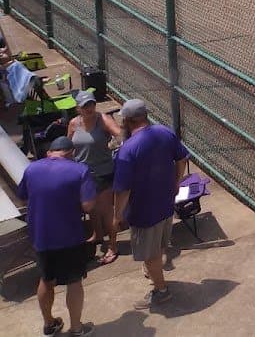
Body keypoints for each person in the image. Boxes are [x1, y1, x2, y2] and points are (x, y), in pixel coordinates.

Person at [112, 98, 188, 311]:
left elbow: (123, 189)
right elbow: (181, 159)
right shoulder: (164, 132)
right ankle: (154, 271)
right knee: (159, 244)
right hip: (165, 202)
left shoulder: (127, 150)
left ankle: (161, 291)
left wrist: (117, 216)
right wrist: (176, 182)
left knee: (150, 253)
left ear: (127, 120)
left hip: (144, 211)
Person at [16, 135, 96, 337]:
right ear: (72, 154)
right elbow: (88, 205)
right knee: (74, 281)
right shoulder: (80, 170)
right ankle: (77, 328)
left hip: (41, 236)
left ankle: (49, 324)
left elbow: (23, 196)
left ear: (49, 152)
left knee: (46, 279)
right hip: (69, 235)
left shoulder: (32, 169)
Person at [67, 90, 123, 265]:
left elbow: (120, 134)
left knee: (106, 211)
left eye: (91, 104)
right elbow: (69, 146)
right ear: (78, 109)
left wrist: (114, 144)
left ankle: (113, 246)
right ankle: (97, 235)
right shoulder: (73, 123)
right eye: (85, 106)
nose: (89, 108)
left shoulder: (103, 119)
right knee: (90, 208)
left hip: (102, 172)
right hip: (82, 173)